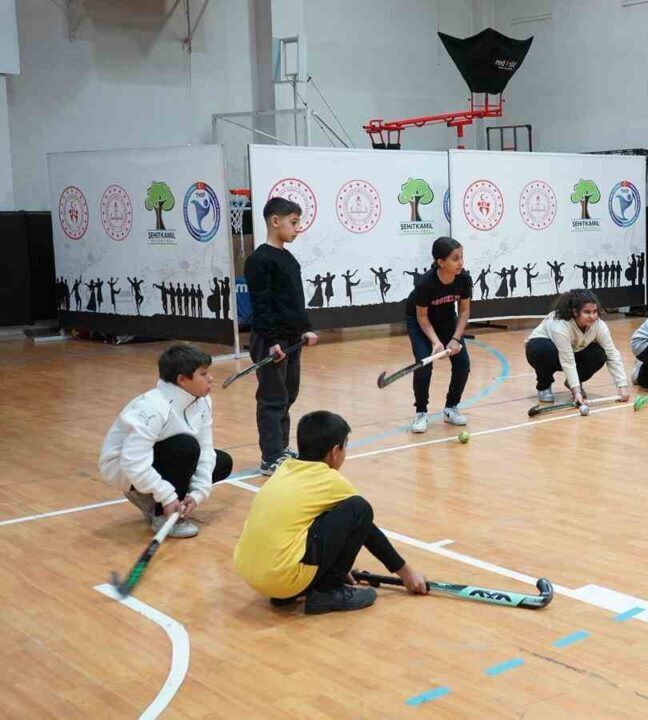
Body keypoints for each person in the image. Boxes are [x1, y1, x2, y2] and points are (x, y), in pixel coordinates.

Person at [234, 410, 429, 615]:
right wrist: (407, 574)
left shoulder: (285, 469)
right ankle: (327, 591)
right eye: (345, 446)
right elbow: (366, 528)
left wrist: (329, 567)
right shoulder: (331, 481)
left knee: (319, 516)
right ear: (335, 451)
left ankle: (294, 589)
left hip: (254, 574)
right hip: (284, 578)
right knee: (359, 508)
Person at [99, 344, 233, 539]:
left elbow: (206, 449)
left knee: (221, 462)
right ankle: (162, 513)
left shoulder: (203, 401)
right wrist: (167, 496)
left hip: (159, 457)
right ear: (182, 379)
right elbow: (132, 462)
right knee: (185, 447)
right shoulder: (153, 407)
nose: (211, 378)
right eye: (203, 374)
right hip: (123, 468)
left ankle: (162, 498)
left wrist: (198, 494)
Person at [244, 197, 319, 475]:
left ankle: (281, 448)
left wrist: (305, 327)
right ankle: (270, 457)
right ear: (275, 221)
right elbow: (261, 305)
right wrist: (271, 341)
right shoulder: (259, 260)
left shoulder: (288, 258)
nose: (297, 228)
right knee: (272, 398)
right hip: (270, 340)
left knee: (288, 395)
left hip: (292, 339)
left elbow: (295, 301)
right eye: (293, 222)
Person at [403, 236, 472, 433]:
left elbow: (464, 311)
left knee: (463, 364)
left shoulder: (464, 279)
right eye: (455, 258)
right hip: (420, 321)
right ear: (441, 262)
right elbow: (422, 316)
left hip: (447, 318)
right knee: (424, 364)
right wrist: (436, 342)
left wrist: (455, 339)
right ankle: (421, 412)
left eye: (461, 257)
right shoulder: (426, 283)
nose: (460, 262)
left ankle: (451, 408)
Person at [525, 288, 632, 405]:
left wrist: (622, 387)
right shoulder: (560, 325)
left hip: (572, 352)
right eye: (587, 312)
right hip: (545, 351)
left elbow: (612, 354)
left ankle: (572, 382)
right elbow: (567, 359)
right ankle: (544, 386)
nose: (592, 316)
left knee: (599, 354)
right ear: (575, 312)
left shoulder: (599, 326)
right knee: (542, 350)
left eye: (595, 311)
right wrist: (577, 393)